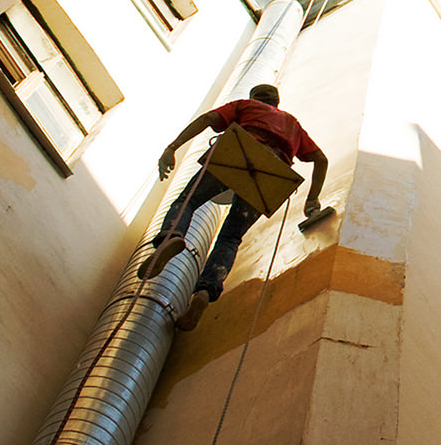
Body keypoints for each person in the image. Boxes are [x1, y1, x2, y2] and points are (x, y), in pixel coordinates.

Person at [143, 86, 333, 330]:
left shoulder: (245, 105)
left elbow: (208, 118)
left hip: (238, 152)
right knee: (231, 237)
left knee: (188, 201)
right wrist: (312, 200)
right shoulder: (292, 123)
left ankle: (171, 237)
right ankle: (205, 291)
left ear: (256, 99)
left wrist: (172, 147)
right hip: (272, 174)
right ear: (276, 102)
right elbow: (321, 159)